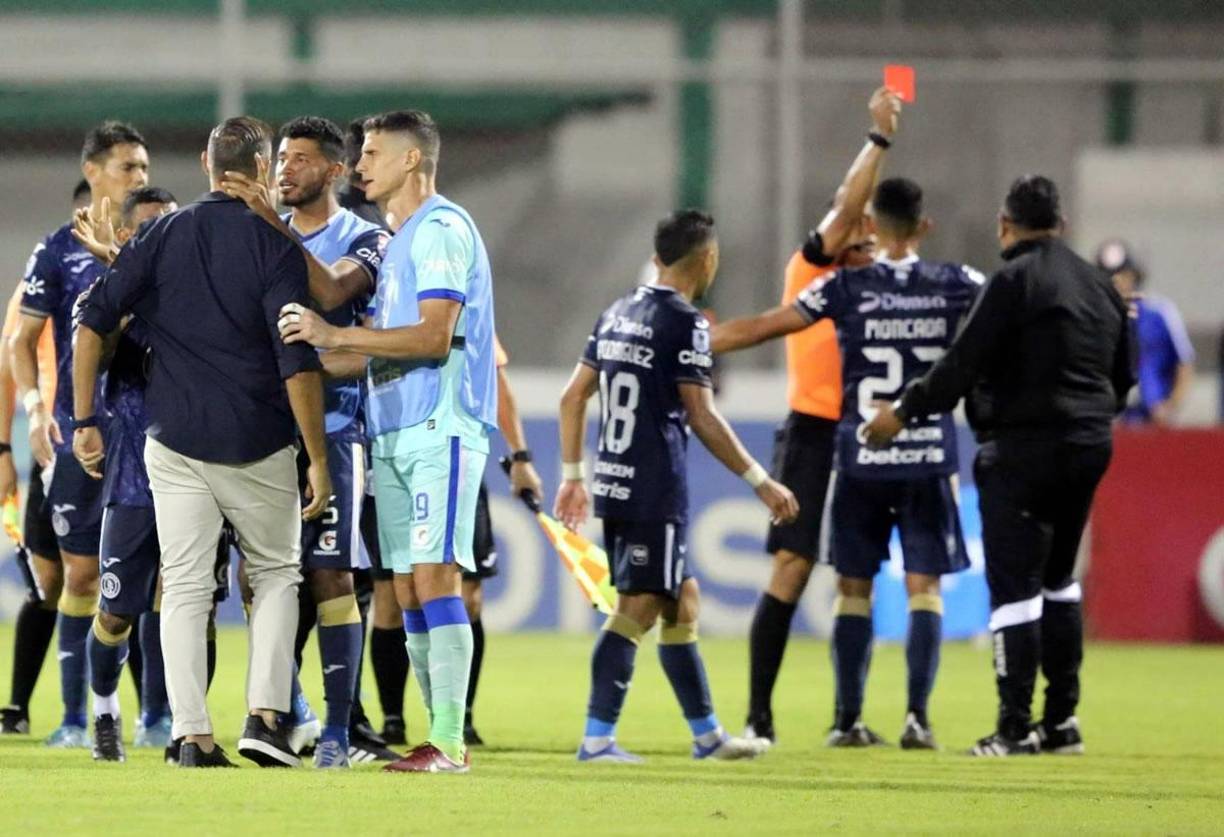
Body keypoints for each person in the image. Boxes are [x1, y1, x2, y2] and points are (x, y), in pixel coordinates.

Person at [73, 116, 331, 769]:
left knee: (185, 585)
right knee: (275, 574)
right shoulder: (274, 245)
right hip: (257, 437)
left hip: (175, 439)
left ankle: (191, 734)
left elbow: (93, 320)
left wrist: (83, 419)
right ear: (264, 163)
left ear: (206, 162)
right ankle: (266, 718)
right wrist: (318, 456)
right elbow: (296, 357)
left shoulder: (162, 233)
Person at [864, 175, 1134, 756]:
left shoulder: (1010, 281)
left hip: (1023, 450)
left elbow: (961, 364)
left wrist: (903, 412)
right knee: (1060, 580)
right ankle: (1061, 722)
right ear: (1060, 224)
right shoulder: (1101, 285)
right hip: (1090, 445)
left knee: (1014, 588)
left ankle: (1014, 727)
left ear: (1004, 226)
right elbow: (1125, 379)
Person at [713, 178, 982, 748]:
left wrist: (695, 340)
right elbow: (1006, 307)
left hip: (860, 451)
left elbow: (762, 327)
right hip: (895, 446)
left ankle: (846, 718)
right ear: (924, 225)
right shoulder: (948, 281)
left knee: (853, 586)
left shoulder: (849, 288)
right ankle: (903, 718)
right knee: (912, 584)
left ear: (875, 228)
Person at [277, 109, 497, 775]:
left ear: (411, 160)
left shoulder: (441, 230)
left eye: (371, 152)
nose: (361, 163)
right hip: (396, 430)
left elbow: (432, 337)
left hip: (440, 424)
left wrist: (335, 334)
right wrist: (304, 355)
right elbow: (369, 353)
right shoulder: (399, 243)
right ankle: (437, 737)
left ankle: (450, 743)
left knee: (433, 576)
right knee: (402, 589)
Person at [554, 210, 797, 764]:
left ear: (658, 256)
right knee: (637, 607)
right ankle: (597, 739)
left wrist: (574, 477)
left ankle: (707, 736)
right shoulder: (685, 322)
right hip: (653, 487)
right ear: (707, 259)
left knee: (681, 602)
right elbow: (703, 416)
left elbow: (572, 397)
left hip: (616, 480)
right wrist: (761, 482)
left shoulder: (617, 311)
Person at [220, 114, 390, 768]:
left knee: (331, 575)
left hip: (337, 430)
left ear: (334, 170)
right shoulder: (264, 231)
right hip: (261, 434)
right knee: (258, 579)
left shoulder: (366, 237)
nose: (283, 169)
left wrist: (264, 219)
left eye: (298, 159)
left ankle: (341, 735)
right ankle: (294, 714)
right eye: (279, 158)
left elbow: (333, 289)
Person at [744, 86, 901, 744]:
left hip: (864, 431)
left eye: (871, 236)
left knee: (857, 572)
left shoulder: (879, 287)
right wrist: (879, 140)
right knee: (793, 567)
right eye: (859, 235)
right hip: (811, 429)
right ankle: (758, 713)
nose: (866, 242)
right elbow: (842, 214)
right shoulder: (809, 271)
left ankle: (849, 717)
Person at [12, 120, 149, 748]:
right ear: (92, 171)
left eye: (144, 168)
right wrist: (38, 408)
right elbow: (19, 341)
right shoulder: (57, 249)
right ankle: (78, 717)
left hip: (151, 432)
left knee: (156, 579)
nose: (139, 178)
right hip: (80, 436)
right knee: (80, 578)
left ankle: (161, 715)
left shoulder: (156, 244)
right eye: (128, 167)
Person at [70, 186, 179, 762]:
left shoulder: (198, 297)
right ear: (130, 237)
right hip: (136, 476)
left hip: (198, 471)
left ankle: (183, 720)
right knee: (115, 612)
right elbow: (100, 347)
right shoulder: (104, 298)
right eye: (148, 231)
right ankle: (105, 709)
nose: (161, 240)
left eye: (170, 228)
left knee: (191, 604)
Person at [1095, 240, 1194, 426]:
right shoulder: (1092, 317)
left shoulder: (1159, 312)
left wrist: (1170, 406)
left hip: (1153, 419)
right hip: (1109, 423)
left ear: (1133, 276)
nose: (1116, 283)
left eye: (1122, 276)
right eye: (1108, 277)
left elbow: (1184, 363)